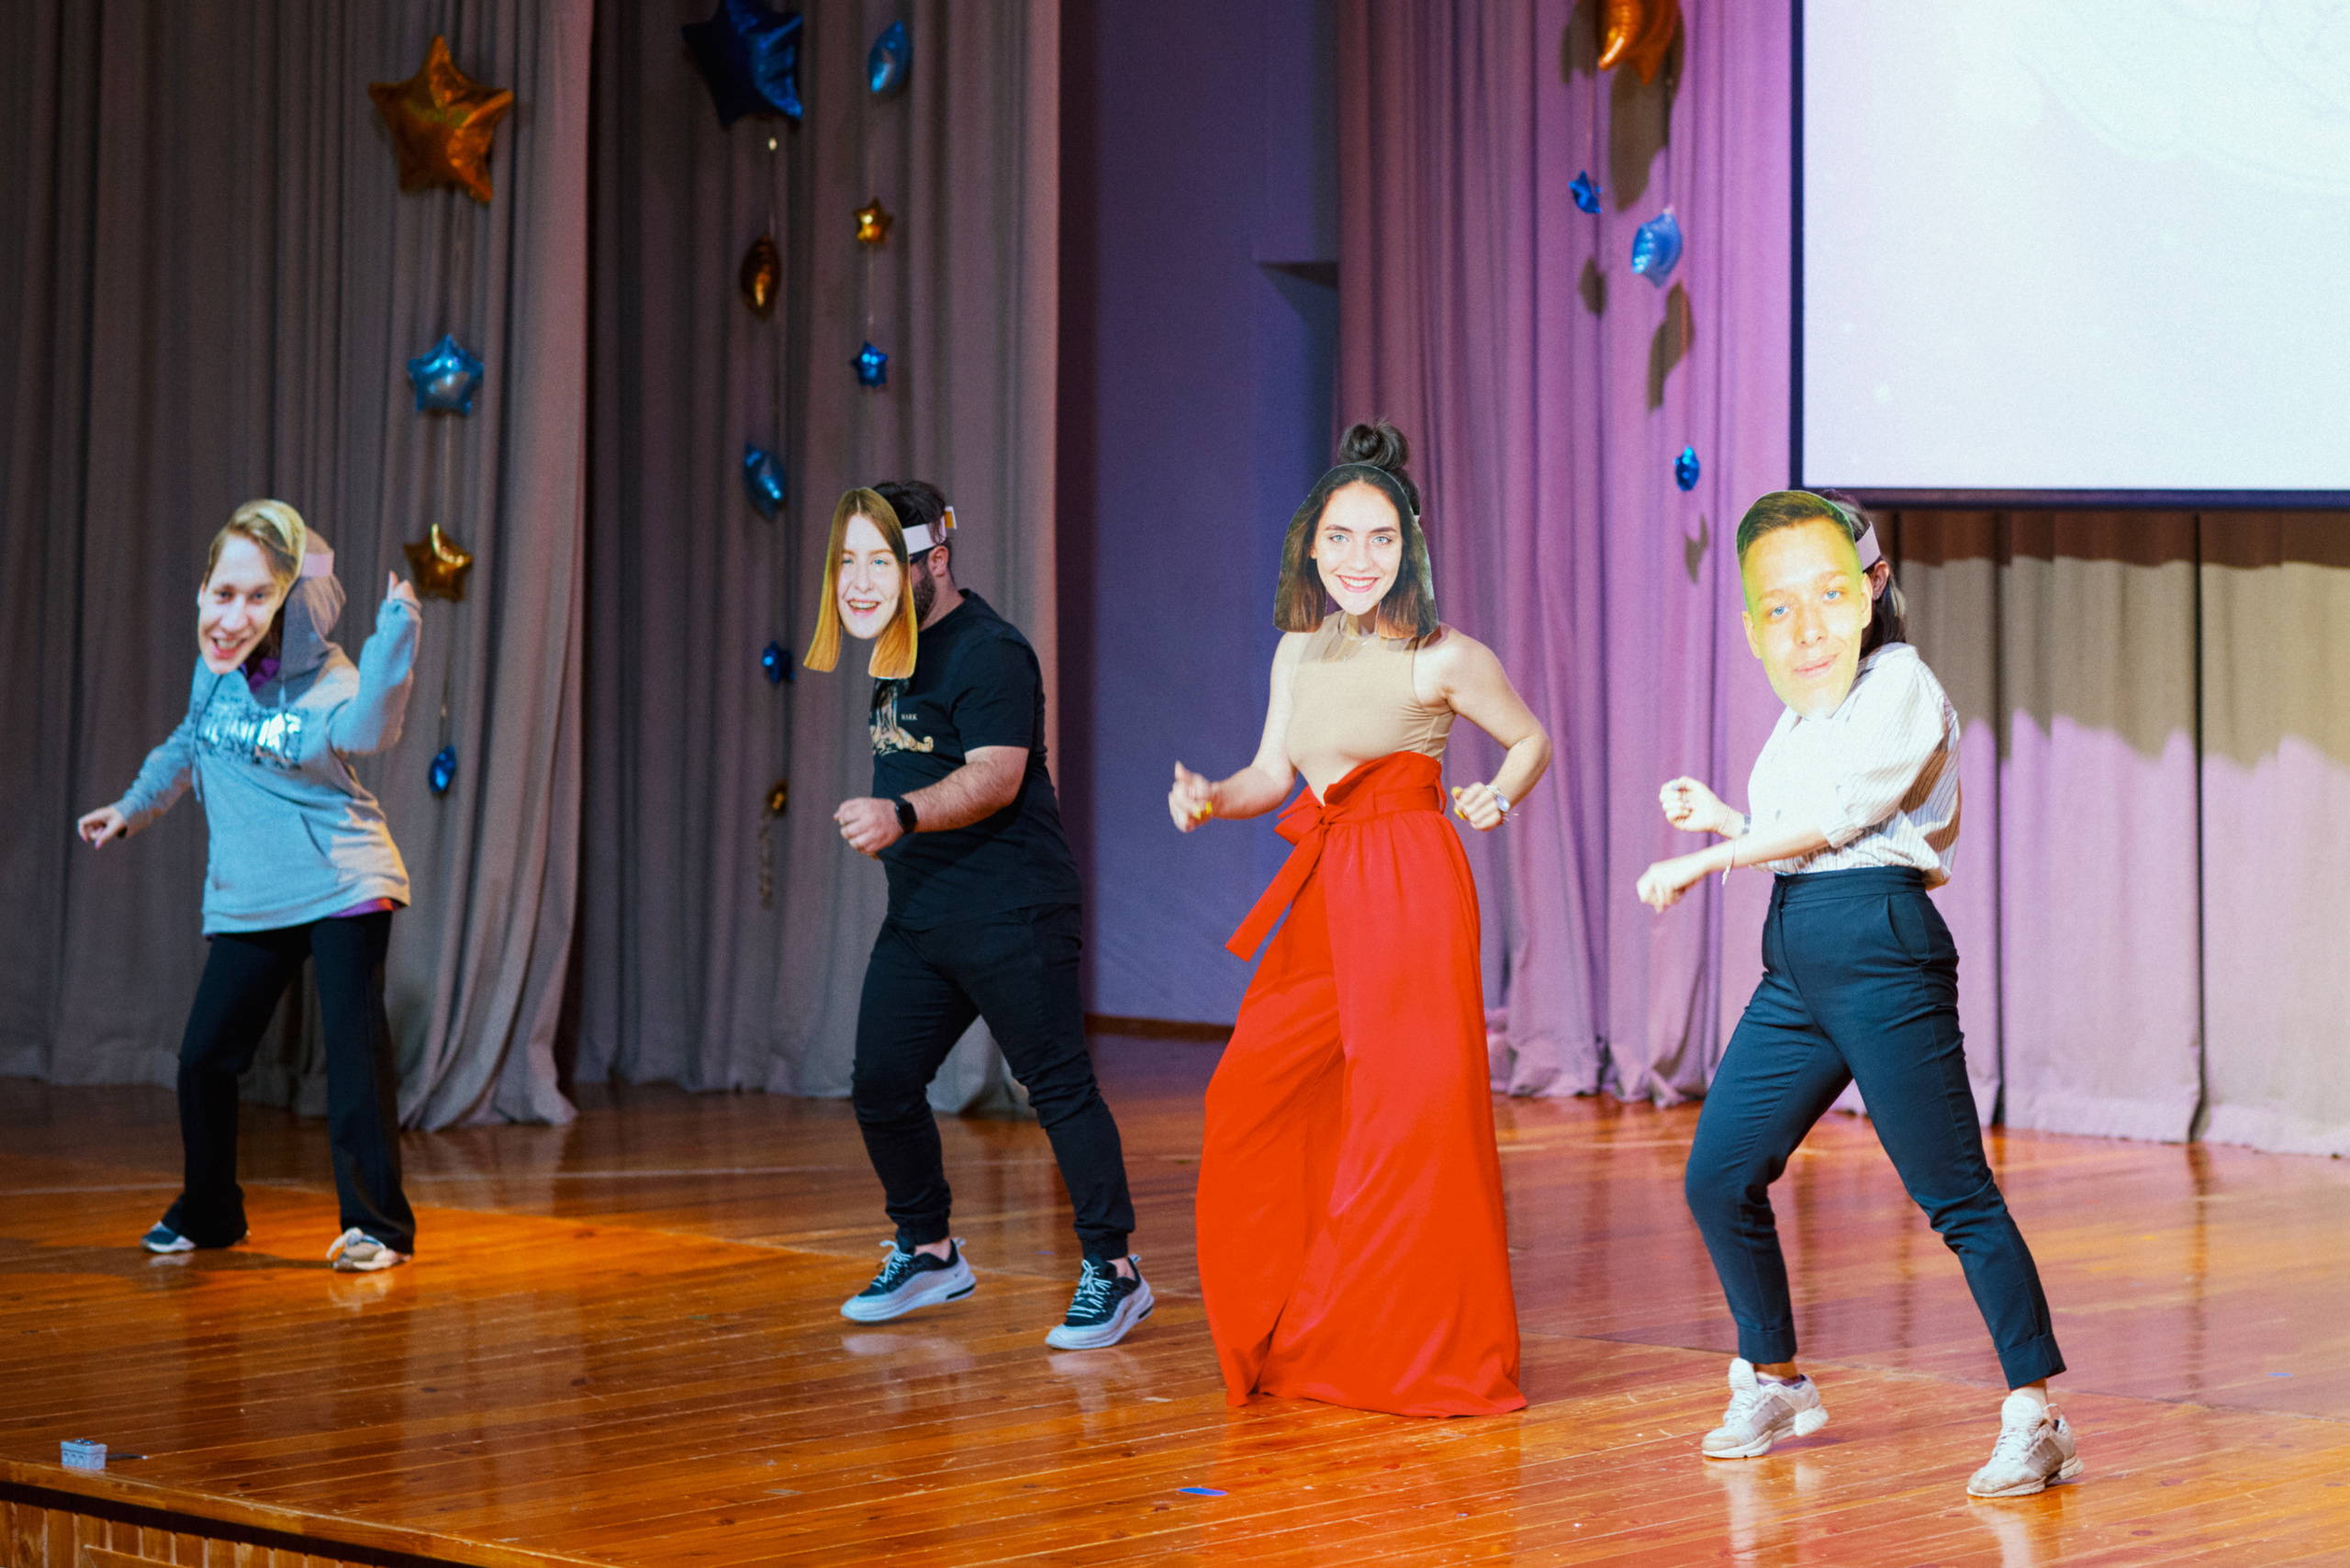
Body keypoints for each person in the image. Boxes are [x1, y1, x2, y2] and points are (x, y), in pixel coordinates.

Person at [1639, 490, 2077, 1497]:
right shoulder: (1808, 705)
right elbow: (1792, 819)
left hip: (1879, 947)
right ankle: (1776, 1374)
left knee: (1953, 1195)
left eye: (1834, 590)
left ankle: (2038, 1414)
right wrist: (1724, 818)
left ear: (1874, 586)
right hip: (1796, 958)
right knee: (1720, 1172)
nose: (1809, 621)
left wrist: (1714, 861)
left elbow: (1843, 820)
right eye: (1784, 603)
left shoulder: (1903, 684)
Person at [1169, 421, 1550, 1417]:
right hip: (1323, 885)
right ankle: (1305, 1321)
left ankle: (1417, 1355)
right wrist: (1213, 793)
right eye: (1338, 538)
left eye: (1379, 538)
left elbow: (1527, 739)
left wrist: (1497, 797)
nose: (1356, 559)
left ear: (1412, 542)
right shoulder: (1297, 648)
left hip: (1412, 886)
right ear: (1311, 544)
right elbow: (1269, 774)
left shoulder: (1444, 656)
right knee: (1248, 1094)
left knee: (1409, 1125)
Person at [805, 483, 1149, 1350]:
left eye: (884, 563)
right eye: (854, 563)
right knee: (882, 1084)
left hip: (1013, 908)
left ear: (934, 562)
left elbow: (996, 774)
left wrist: (903, 815)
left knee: (1056, 1086)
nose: (864, 580)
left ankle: (1115, 1272)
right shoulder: (893, 655)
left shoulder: (990, 652)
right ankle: (928, 1250)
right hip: (924, 914)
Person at [76, 499, 422, 1273]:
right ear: (202, 592)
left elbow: (369, 729)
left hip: (341, 878)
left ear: (292, 599)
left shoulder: (328, 681)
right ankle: (209, 1212)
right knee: (204, 1059)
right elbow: (186, 745)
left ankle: (377, 1228)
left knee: (354, 1054)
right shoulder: (214, 675)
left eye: (259, 595)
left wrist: (394, 635)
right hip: (252, 893)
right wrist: (131, 808)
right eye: (223, 592)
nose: (234, 615)